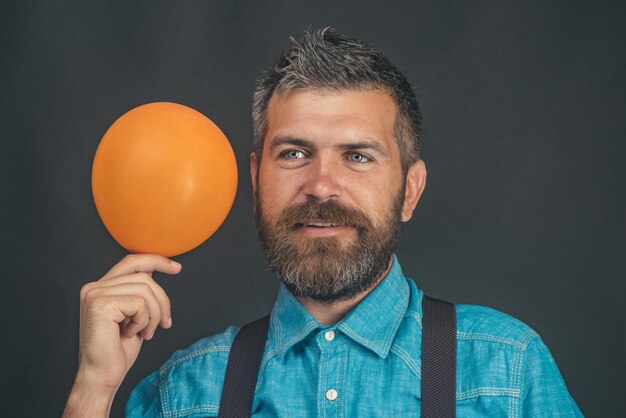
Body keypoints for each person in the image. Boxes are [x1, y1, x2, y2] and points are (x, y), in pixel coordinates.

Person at [62, 27, 583, 417]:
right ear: (256, 179)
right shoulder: (185, 392)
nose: (320, 184)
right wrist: (93, 387)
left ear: (411, 190)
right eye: (293, 153)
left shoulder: (507, 372)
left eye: (358, 156)